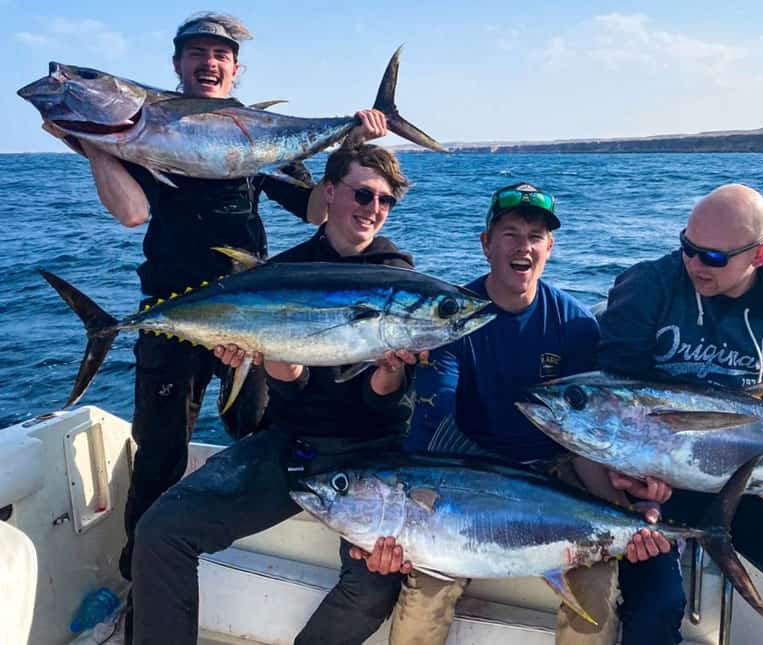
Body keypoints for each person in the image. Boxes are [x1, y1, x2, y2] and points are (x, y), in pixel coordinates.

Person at [40, 11, 389, 583]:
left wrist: (347, 148)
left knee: (259, 429)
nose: (209, 63)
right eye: (197, 53)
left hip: (252, 312)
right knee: (159, 449)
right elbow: (131, 213)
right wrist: (91, 142)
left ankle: (261, 560)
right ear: (176, 66)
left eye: (220, 55)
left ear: (235, 68)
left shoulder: (252, 134)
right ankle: (141, 576)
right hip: (170, 314)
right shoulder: (146, 135)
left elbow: (313, 210)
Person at [349, 183, 673, 645]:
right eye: (510, 233)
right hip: (468, 471)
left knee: (595, 596)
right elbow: (432, 418)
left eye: (535, 236)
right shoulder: (451, 318)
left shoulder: (576, 326)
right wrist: (397, 523)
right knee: (423, 601)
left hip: (558, 472)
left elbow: (583, 442)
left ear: (549, 247)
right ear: (486, 244)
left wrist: (630, 510)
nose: (523, 246)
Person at [130, 143, 421, 645]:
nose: (372, 209)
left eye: (384, 201)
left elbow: (383, 405)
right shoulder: (279, 273)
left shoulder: (398, 281)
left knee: (374, 586)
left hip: (371, 455)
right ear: (329, 193)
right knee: (161, 531)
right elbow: (291, 392)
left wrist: (388, 372)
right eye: (362, 194)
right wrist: (261, 356)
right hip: (291, 444)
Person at [598, 183, 763, 645]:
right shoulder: (647, 288)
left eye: (714, 258)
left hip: (746, 481)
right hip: (656, 481)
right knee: (655, 607)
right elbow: (616, 399)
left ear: (759, 256)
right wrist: (628, 480)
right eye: (688, 247)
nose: (694, 264)